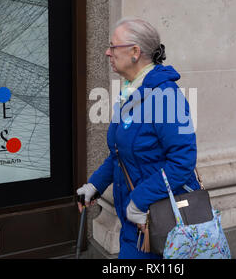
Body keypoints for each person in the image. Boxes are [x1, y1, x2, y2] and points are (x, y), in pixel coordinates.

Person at [77, 18, 199, 259]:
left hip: (161, 225)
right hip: (134, 225)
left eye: (113, 47)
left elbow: (183, 162)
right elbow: (119, 155)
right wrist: (95, 185)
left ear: (135, 52)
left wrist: (139, 201)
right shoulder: (131, 93)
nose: (107, 52)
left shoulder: (165, 97)